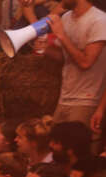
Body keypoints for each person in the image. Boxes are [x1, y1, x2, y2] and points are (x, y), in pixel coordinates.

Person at [42, 0, 106, 134]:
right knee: (57, 147)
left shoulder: (99, 20)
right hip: (65, 97)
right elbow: (65, 56)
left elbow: (86, 63)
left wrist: (61, 35)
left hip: (88, 100)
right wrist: (44, 48)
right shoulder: (66, 18)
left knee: (77, 151)